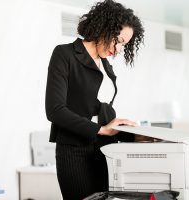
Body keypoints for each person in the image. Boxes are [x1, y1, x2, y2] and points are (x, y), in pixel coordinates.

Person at [45, 0, 144, 199]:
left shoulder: (106, 66)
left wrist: (134, 136)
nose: (117, 49)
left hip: (104, 152)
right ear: (105, 28)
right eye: (118, 40)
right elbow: (54, 110)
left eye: (123, 45)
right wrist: (102, 129)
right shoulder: (65, 54)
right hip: (74, 152)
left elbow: (103, 117)